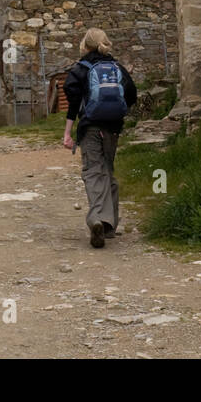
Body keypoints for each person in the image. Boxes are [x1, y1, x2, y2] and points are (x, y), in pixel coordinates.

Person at [62, 28, 136, 248]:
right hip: (113, 127)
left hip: (90, 126)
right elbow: (132, 94)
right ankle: (110, 225)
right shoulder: (117, 68)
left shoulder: (81, 69)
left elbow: (73, 103)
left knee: (94, 171)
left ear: (86, 45)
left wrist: (68, 132)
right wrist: (117, 113)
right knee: (107, 169)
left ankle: (97, 219)